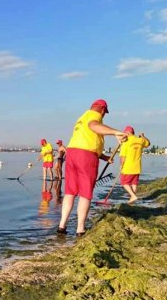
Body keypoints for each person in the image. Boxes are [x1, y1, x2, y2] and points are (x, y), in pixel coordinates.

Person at [57, 99, 127, 237]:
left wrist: (105, 157)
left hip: (71, 153)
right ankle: (80, 229)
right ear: (102, 110)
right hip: (86, 157)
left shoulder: (81, 118)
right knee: (85, 193)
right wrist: (116, 132)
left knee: (70, 192)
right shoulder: (94, 116)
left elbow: (87, 140)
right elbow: (93, 126)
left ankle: (61, 226)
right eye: (105, 113)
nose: (104, 116)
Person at [119, 126, 150, 204]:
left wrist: (121, 165)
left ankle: (133, 196)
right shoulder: (140, 140)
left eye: (125, 133)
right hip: (137, 167)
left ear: (128, 133)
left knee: (124, 183)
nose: (124, 134)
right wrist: (143, 136)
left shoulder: (126, 142)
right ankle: (132, 199)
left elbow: (123, 156)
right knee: (134, 183)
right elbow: (148, 143)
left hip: (128, 167)